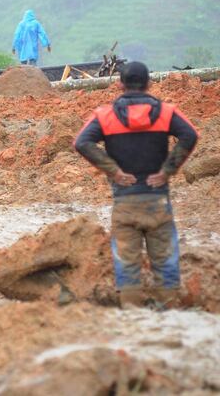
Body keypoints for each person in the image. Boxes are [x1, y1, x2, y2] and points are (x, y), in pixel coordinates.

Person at [74, 62, 198, 309]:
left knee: (127, 266)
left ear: (119, 84)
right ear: (149, 83)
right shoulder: (166, 112)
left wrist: (114, 171)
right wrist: (167, 171)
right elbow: (191, 135)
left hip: (125, 202)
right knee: (165, 263)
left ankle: (133, 315)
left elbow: (82, 142)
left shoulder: (105, 116)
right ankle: (170, 316)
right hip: (157, 202)